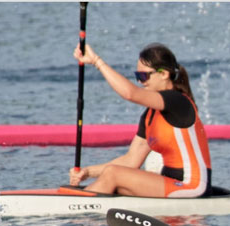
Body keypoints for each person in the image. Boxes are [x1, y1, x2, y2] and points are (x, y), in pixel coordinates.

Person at [69, 42, 212, 197]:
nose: (140, 81)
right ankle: (84, 210)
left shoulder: (177, 102)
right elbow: (131, 160)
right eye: (137, 76)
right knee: (113, 181)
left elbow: (130, 93)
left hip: (192, 186)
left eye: (144, 76)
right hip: (170, 183)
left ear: (164, 74)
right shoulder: (150, 115)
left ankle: (80, 214)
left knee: (113, 174)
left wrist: (97, 61)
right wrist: (88, 172)